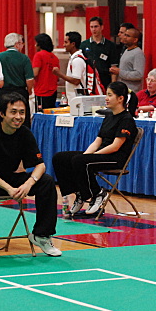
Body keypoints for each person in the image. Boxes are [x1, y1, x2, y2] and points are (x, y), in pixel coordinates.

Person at [0, 92, 61, 261]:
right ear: (2, 114)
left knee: (46, 181)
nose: (18, 117)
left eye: (22, 112)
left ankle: (42, 235)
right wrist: (8, 188)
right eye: (13, 112)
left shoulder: (24, 133)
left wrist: (29, 184)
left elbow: (41, 165)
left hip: (9, 179)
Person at [52, 81, 138, 217]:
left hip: (115, 158)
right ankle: (79, 194)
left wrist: (91, 156)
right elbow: (98, 140)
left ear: (120, 98)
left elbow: (115, 146)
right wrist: (87, 154)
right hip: (102, 154)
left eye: (110, 95)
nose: (106, 98)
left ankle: (98, 193)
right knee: (60, 158)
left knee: (80, 161)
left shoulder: (126, 119)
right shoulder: (109, 116)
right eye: (106, 95)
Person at [0, 32, 34, 124]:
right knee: (22, 119)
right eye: (22, 43)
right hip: (20, 93)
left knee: (3, 119)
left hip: (3, 93)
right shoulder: (24, 58)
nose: (22, 46)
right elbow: (29, 80)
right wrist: (29, 91)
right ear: (17, 44)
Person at [80, 16, 117, 89]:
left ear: (102, 27)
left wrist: (113, 86)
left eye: (96, 26)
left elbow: (114, 67)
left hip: (105, 81)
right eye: (91, 27)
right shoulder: (84, 45)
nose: (94, 29)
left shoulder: (110, 45)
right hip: (88, 82)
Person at [52, 31, 88, 103]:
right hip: (74, 99)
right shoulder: (74, 58)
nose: (64, 45)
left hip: (78, 99)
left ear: (73, 44)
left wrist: (59, 74)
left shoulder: (77, 60)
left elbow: (76, 81)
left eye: (66, 42)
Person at [109, 28, 145, 93]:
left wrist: (120, 72)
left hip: (132, 91)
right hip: (123, 90)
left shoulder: (138, 53)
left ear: (135, 40)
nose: (125, 37)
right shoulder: (126, 50)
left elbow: (139, 74)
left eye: (128, 36)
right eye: (125, 35)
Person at [32, 33, 60, 110]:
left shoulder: (39, 55)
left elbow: (35, 73)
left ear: (40, 44)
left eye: (36, 43)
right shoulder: (55, 57)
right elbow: (57, 77)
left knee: (41, 114)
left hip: (42, 91)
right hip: (53, 92)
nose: (35, 45)